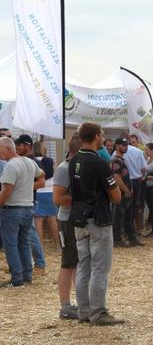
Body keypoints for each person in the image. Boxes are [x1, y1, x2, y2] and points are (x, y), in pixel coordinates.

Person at [69, 123, 124, 325]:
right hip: (98, 219)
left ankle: (84, 311)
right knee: (100, 267)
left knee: (83, 266)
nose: (103, 138)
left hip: (79, 219)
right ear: (96, 136)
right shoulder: (99, 162)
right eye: (101, 134)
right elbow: (116, 195)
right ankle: (98, 312)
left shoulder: (74, 160)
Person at [0, 137, 45, 288]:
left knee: (11, 245)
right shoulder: (29, 162)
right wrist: (26, 187)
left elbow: (6, 192)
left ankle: (17, 280)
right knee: (24, 243)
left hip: (12, 210)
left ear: (7, 148)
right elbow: (42, 175)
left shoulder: (10, 166)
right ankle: (27, 275)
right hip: (28, 208)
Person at [52, 135, 81, 318]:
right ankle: (65, 306)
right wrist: (85, 198)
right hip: (67, 220)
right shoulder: (64, 169)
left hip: (77, 220)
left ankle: (79, 303)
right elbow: (58, 199)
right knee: (68, 263)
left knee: (79, 264)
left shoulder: (77, 168)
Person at [111, 138, 142, 248]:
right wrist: (126, 190)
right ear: (117, 146)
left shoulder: (122, 159)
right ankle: (117, 239)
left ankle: (131, 237)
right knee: (119, 216)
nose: (125, 147)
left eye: (126, 145)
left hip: (126, 192)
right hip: (121, 193)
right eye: (123, 145)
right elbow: (117, 178)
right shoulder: (116, 160)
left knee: (128, 215)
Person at [33, 142, 61, 253]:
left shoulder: (33, 161)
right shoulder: (50, 161)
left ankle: (40, 248)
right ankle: (58, 246)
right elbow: (55, 173)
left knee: (38, 221)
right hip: (50, 192)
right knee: (53, 220)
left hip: (38, 192)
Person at [121, 134, 147, 234]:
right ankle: (133, 230)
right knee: (134, 207)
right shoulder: (138, 151)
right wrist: (142, 177)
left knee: (124, 207)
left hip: (124, 182)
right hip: (136, 181)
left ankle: (125, 230)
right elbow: (144, 168)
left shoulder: (117, 152)